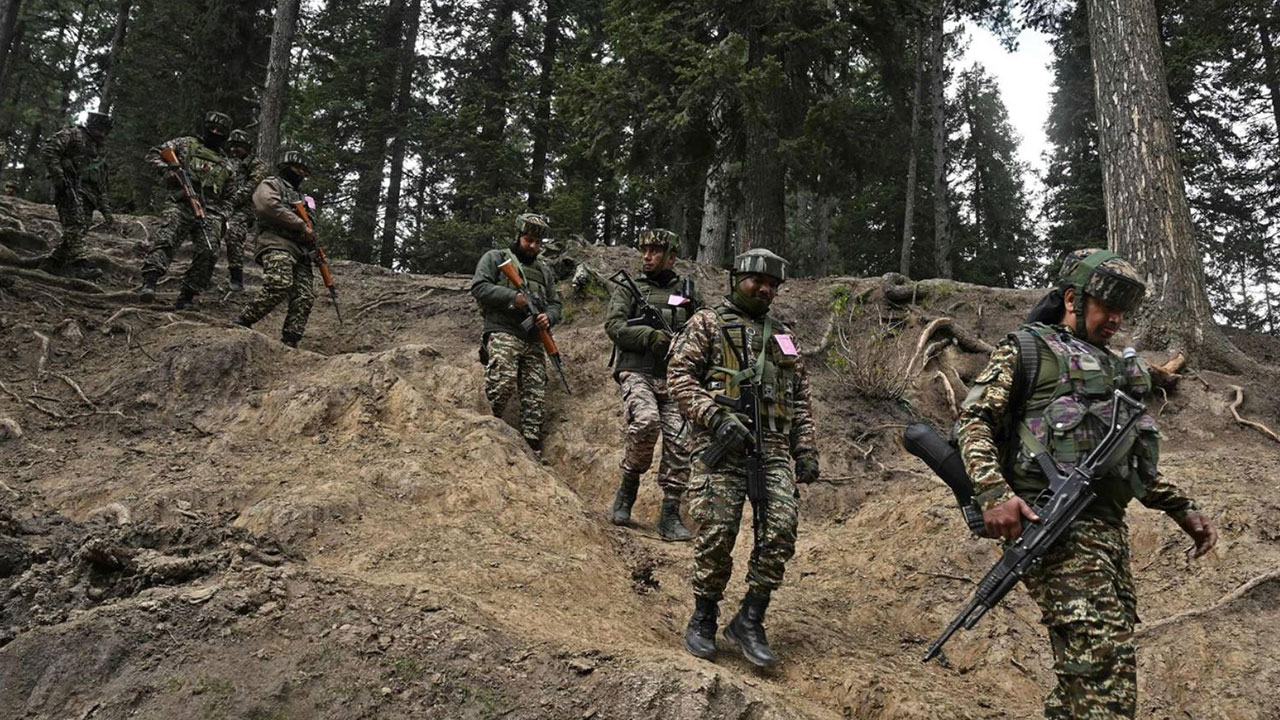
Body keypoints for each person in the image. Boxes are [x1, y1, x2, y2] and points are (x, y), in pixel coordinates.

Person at [955, 248, 1218, 719]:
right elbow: (972, 421)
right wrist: (994, 492)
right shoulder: (1029, 348)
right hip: (1050, 526)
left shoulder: (1115, 367)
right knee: (1105, 677)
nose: (1116, 320)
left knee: (1089, 676)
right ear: (1074, 299)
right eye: (1107, 308)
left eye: (1122, 312)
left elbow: (1119, 462)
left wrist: (1181, 507)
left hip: (1108, 537)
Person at [668, 248, 819, 667]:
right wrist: (716, 417)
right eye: (758, 282)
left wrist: (805, 449)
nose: (766, 290)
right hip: (722, 448)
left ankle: (750, 617)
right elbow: (679, 379)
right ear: (737, 279)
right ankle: (704, 616)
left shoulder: (784, 335)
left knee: (781, 531)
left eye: (773, 285)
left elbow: (799, 398)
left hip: (771, 449)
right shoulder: (708, 322)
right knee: (718, 532)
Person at [604, 229, 703, 541]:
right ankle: (627, 490)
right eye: (644, 250)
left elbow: (704, 326)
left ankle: (670, 514)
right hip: (637, 371)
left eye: (655, 251)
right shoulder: (629, 289)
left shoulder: (686, 292)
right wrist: (650, 336)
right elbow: (614, 326)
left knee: (681, 440)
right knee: (646, 422)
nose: (647, 256)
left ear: (671, 257)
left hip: (675, 377)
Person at [470, 213, 563, 453]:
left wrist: (548, 317)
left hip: (533, 337)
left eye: (538, 243)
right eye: (528, 240)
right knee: (502, 383)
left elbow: (555, 304)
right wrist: (514, 298)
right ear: (519, 237)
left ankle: (531, 444)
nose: (533, 246)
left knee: (535, 395)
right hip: (503, 328)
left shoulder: (544, 271)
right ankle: (488, 428)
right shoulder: (496, 258)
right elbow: (479, 287)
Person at [138, 111, 237, 308]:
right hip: (181, 203)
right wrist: (169, 171)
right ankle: (150, 282)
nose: (215, 133)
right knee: (167, 237)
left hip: (209, 211)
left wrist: (222, 215)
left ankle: (187, 297)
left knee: (209, 251)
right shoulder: (185, 144)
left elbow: (230, 197)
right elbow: (154, 153)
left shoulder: (227, 165)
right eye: (212, 129)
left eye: (220, 131)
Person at [233, 150, 317, 348]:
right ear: (286, 168)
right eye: (297, 168)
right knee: (279, 285)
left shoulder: (304, 198)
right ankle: (244, 320)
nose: (301, 173)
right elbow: (266, 206)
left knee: (305, 296)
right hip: (276, 242)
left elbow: (312, 226)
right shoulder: (272, 184)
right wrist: (299, 224)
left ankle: (291, 341)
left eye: (304, 170)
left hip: (302, 251)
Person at [39, 111, 114, 280]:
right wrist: (59, 176)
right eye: (99, 130)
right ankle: (80, 265)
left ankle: (52, 263)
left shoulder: (98, 151)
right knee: (76, 226)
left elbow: (100, 183)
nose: (102, 134)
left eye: (105, 131)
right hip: (68, 189)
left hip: (88, 198)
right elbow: (49, 149)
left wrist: (106, 211)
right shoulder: (73, 135)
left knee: (78, 231)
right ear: (91, 126)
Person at [224, 129, 267, 292]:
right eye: (233, 146)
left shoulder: (257, 165)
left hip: (245, 209)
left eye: (239, 146)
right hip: (224, 206)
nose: (235, 149)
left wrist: (231, 202)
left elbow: (250, 187)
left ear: (248, 147)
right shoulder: (228, 162)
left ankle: (236, 278)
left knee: (233, 234)